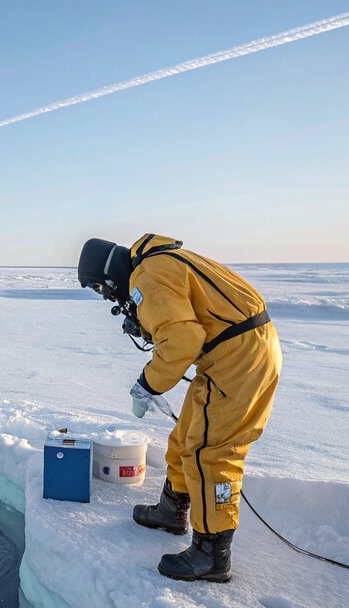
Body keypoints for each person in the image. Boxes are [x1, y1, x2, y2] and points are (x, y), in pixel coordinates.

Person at [78, 234, 281, 582]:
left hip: (238, 358)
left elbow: (183, 340)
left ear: (110, 276)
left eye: (102, 288)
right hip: (235, 352)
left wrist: (148, 383)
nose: (108, 296)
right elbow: (191, 323)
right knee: (186, 434)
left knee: (210, 453)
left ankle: (212, 553)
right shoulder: (160, 264)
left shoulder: (148, 275)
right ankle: (173, 511)